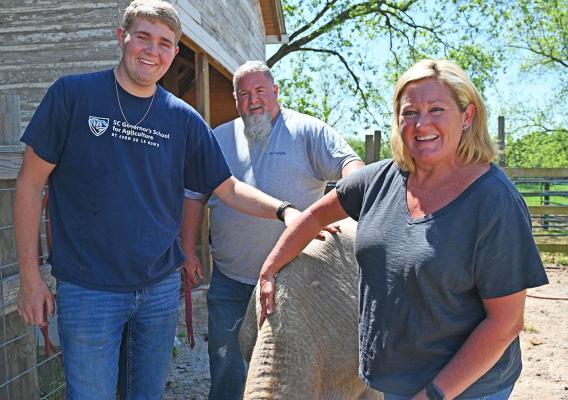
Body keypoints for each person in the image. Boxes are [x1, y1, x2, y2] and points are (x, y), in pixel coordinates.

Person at [14, 2, 303, 399]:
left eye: (165, 43)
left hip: (158, 289)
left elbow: (228, 187)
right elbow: (29, 184)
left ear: (174, 52)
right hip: (88, 289)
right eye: (143, 37)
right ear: (122, 37)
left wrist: (286, 212)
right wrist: (30, 278)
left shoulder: (183, 119)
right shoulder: (73, 96)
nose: (153, 50)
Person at [257, 59, 549, 400]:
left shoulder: (493, 202)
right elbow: (313, 217)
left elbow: (505, 324)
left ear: (467, 116)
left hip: (464, 389)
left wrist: (434, 394)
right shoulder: (379, 180)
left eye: (436, 109)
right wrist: (270, 268)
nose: (421, 123)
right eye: (409, 112)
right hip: (391, 381)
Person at [181, 60, 364, 400]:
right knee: (226, 367)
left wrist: (356, 203)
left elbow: (350, 167)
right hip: (231, 278)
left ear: (276, 92)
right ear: (236, 99)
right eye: (244, 94)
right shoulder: (218, 138)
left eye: (260, 91)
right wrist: (189, 251)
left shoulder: (308, 131)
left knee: (287, 372)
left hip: (296, 281)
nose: (253, 100)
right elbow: (194, 197)